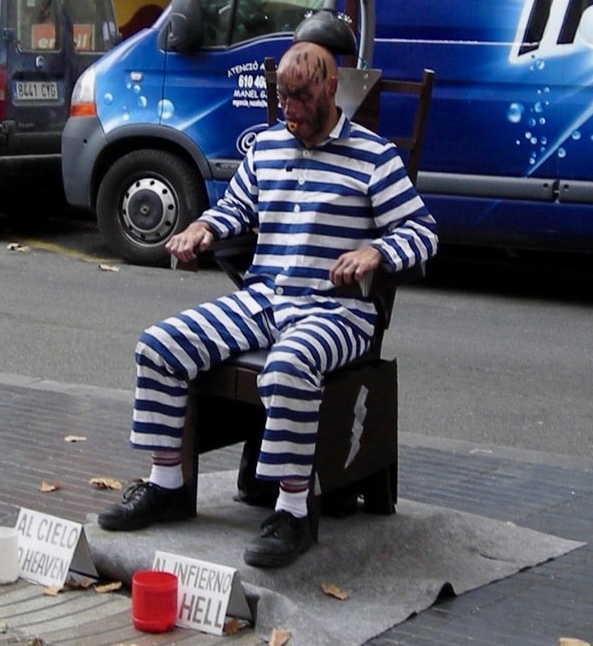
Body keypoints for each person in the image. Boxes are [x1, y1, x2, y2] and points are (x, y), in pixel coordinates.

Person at [97, 33, 439, 569]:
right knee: (159, 346)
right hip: (265, 300)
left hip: (338, 310)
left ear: (330, 88)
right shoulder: (269, 146)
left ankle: (293, 510)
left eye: (301, 97)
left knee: (287, 367)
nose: (291, 110)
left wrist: (377, 250)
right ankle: (166, 483)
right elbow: (234, 208)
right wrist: (203, 228)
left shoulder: (374, 157)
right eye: (283, 98)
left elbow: (423, 232)